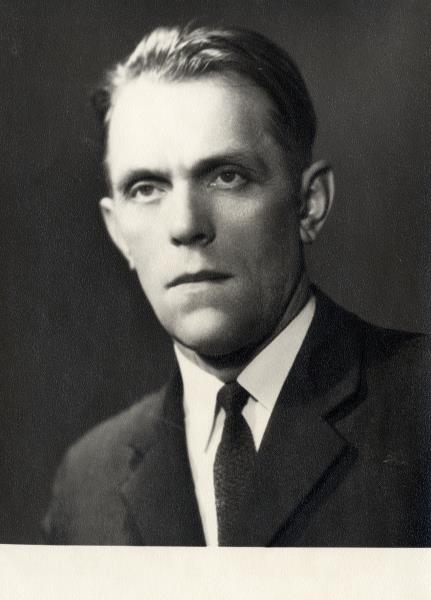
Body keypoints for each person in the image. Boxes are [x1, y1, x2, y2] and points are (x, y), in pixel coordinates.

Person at [43, 25, 430, 546]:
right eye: (147, 188)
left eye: (227, 176)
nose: (186, 225)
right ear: (119, 233)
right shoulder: (87, 481)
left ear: (309, 204)